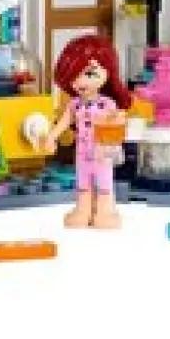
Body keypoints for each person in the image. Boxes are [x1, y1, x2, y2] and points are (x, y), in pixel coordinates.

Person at [43, 35, 132, 228]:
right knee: (83, 181)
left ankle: (105, 211)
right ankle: (83, 210)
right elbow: (63, 122)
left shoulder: (107, 103)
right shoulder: (74, 104)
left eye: (89, 73)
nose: (80, 81)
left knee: (104, 181)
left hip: (102, 152)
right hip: (82, 153)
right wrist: (51, 137)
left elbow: (118, 121)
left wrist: (116, 122)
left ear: (107, 72)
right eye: (74, 75)